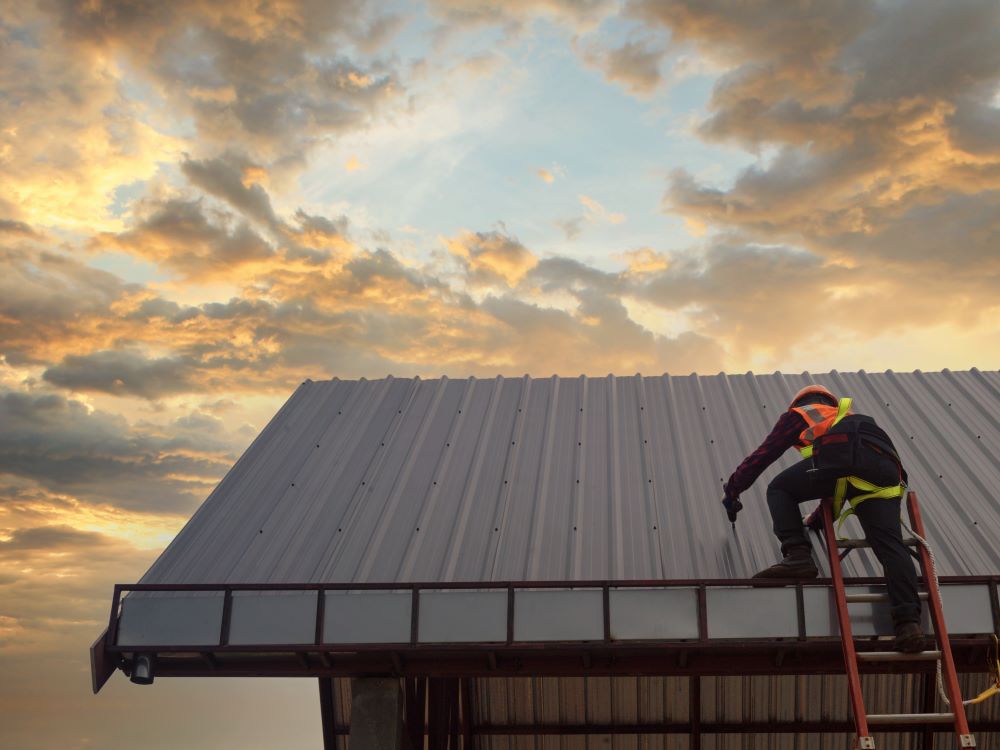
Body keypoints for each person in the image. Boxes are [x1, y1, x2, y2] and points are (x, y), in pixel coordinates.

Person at [721, 384, 927, 653]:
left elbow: (764, 454)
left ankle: (797, 556)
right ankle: (908, 625)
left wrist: (733, 489)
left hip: (847, 464)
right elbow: (839, 484)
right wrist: (817, 520)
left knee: (779, 488)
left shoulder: (802, 413)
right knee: (890, 546)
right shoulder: (849, 420)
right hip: (885, 475)